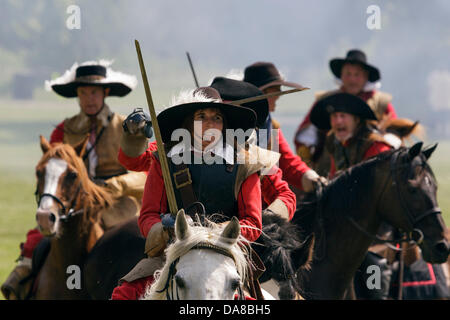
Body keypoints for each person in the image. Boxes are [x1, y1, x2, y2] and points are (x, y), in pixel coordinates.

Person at [1, 61, 147, 300]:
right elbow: (52, 166)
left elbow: (144, 172)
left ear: (105, 93)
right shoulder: (64, 129)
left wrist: (116, 185)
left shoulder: (125, 128)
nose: (89, 98)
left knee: (128, 242)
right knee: (39, 239)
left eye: (94, 92)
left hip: (117, 204)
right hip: (73, 203)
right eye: (83, 93)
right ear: (77, 96)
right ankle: (24, 278)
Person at [111, 87, 269, 300]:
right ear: (188, 123)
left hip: (224, 256)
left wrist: (216, 233)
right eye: (201, 116)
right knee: (125, 295)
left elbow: (252, 222)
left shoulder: (246, 164)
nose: (209, 124)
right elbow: (148, 216)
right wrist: (166, 227)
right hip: (174, 252)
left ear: (224, 125)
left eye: (217, 118)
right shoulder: (164, 161)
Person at [310, 92, 394, 299]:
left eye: (343, 116)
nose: (338, 121)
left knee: (372, 265)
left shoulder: (378, 148)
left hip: (379, 230)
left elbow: (381, 199)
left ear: (357, 120)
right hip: (347, 226)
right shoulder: (336, 144)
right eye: (334, 116)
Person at [294, 49, 398, 173]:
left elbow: (395, 135)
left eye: (357, 74)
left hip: (371, 168)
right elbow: (305, 138)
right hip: (326, 170)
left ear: (366, 76)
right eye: (348, 74)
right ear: (341, 75)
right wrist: (307, 167)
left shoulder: (381, 102)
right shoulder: (326, 101)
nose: (352, 79)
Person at [243, 62, 326, 193]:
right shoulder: (235, 122)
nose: (279, 94)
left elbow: (286, 161)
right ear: (262, 93)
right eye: (275, 90)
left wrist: (311, 177)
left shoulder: (271, 126)